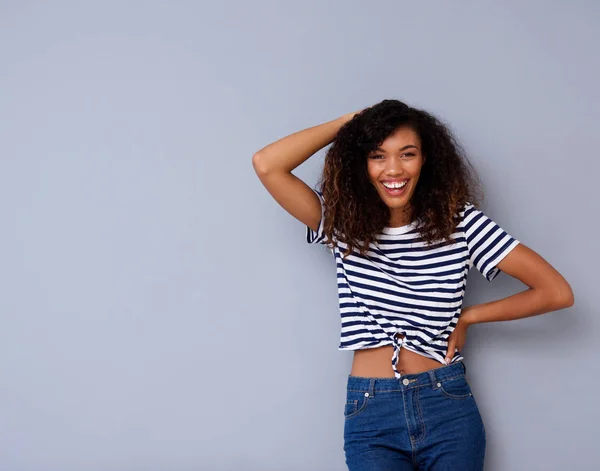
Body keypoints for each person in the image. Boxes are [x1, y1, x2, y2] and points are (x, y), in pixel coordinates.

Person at [251, 99, 574, 471]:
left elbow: (556, 292)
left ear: (426, 160)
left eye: (407, 154)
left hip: (447, 406)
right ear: (362, 163)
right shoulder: (341, 223)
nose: (393, 169)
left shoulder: (461, 223)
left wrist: (470, 317)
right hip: (371, 412)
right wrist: (351, 123)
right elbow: (267, 163)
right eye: (377, 155)